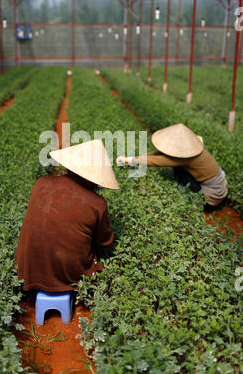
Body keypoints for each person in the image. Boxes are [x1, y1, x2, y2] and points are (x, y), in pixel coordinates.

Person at [15, 139, 119, 293]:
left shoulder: (41, 183)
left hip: (27, 268)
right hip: (69, 275)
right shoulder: (97, 203)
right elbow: (104, 241)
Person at [116, 123, 228, 212]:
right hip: (218, 184)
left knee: (179, 171)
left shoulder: (185, 157)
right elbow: (158, 154)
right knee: (179, 169)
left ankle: (191, 200)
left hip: (212, 196)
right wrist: (130, 159)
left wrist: (129, 160)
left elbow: (157, 161)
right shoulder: (191, 150)